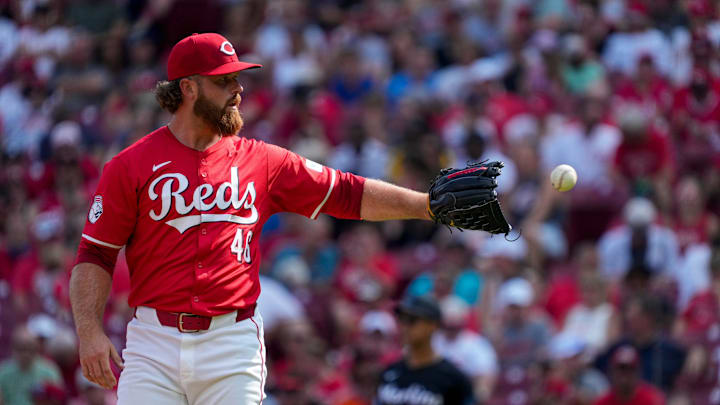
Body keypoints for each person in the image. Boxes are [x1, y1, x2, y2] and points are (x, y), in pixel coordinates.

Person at [68, 33, 436, 405]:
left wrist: (426, 205)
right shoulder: (130, 165)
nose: (238, 89)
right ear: (189, 88)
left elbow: (348, 192)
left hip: (231, 342)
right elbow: (95, 254)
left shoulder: (263, 161)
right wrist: (89, 330)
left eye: (236, 78)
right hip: (153, 342)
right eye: (224, 80)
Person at [375, 295, 474, 405]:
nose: (405, 327)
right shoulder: (390, 371)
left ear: (433, 325)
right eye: (402, 320)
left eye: (412, 320)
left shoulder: (452, 378)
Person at [0, 326, 63, 405]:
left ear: (36, 348)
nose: (25, 354)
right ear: (13, 348)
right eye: (21, 349)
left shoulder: (49, 370)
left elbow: (58, 399)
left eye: (29, 349)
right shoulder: (3, 372)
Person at [593, 345, 664, 405]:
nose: (625, 375)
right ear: (611, 372)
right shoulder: (602, 402)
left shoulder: (653, 400)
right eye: (621, 369)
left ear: (638, 372)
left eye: (630, 369)